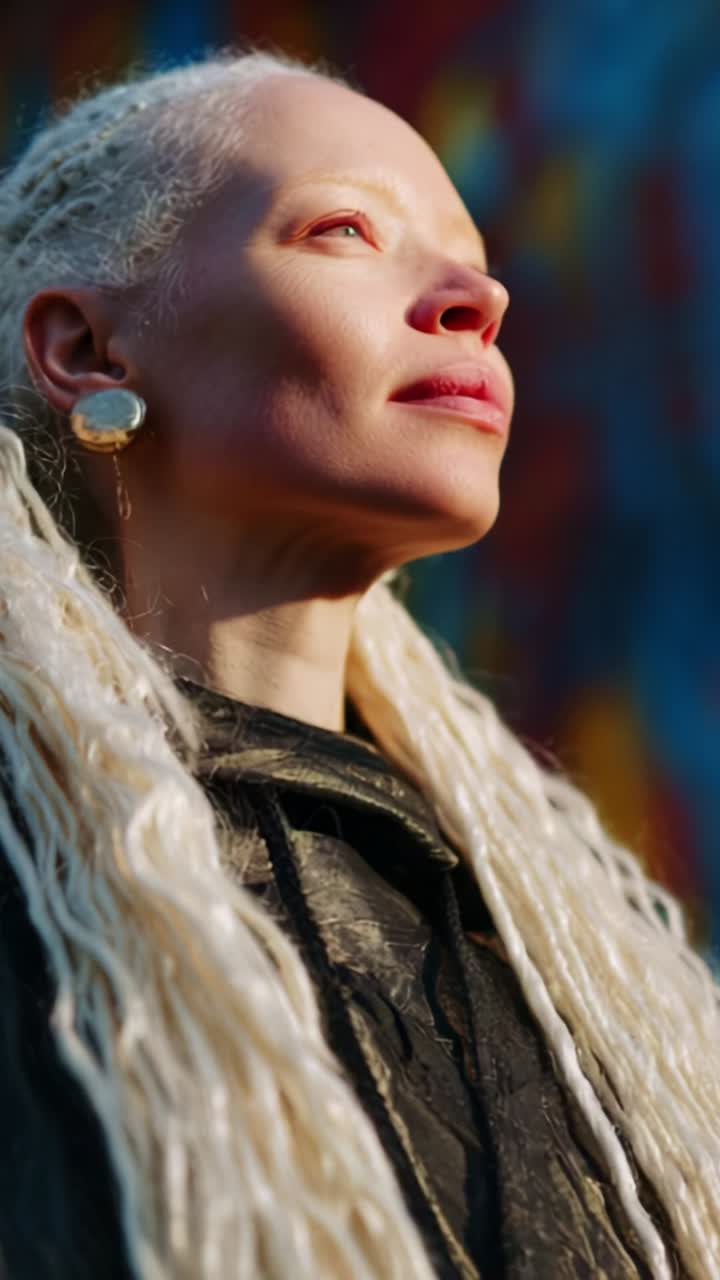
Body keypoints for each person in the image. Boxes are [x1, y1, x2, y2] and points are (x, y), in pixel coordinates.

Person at [0, 47, 715, 1280]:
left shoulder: (563, 945)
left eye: (475, 261)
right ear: (86, 350)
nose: (474, 299)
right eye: (345, 229)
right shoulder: (32, 890)